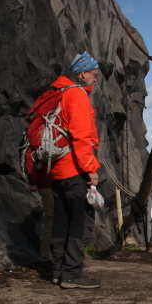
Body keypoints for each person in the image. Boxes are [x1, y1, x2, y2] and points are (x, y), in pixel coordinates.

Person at [49, 51, 102, 289]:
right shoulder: (77, 96)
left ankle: (57, 270)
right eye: (93, 73)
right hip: (74, 170)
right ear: (81, 74)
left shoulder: (59, 93)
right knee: (79, 223)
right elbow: (81, 137)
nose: (96, 78)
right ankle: (72, 274)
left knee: (61, 221)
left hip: (57, 169)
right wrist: (90, 169)